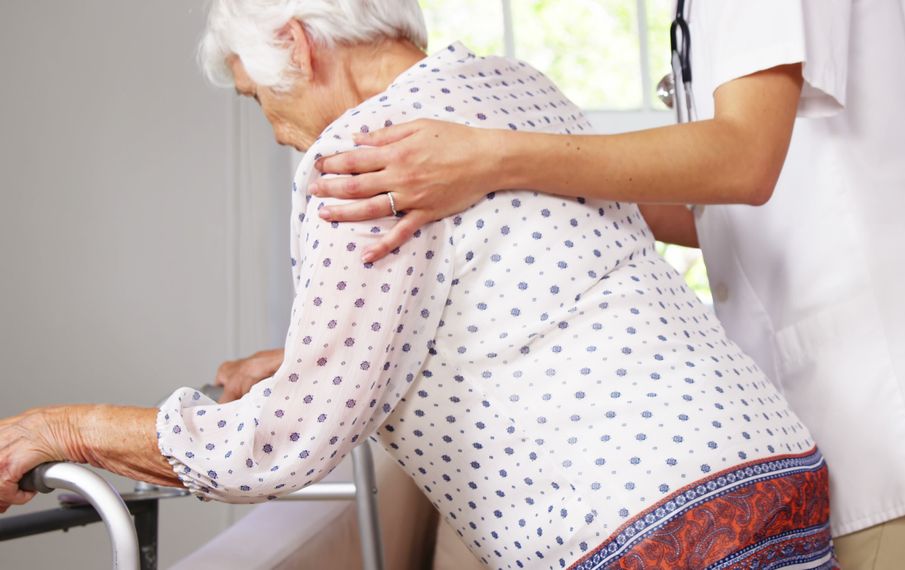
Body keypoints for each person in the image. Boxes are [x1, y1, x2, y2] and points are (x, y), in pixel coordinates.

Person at [0, 1, 838, 568]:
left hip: (647, 528)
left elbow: (279, 446)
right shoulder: (513, 85)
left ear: (298, 43)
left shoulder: (361, 159)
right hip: (767, 468)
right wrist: (292, 359)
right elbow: (509, 290)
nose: (276, 132)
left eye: (258, 99)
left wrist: (63, 428)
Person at [301, 0, 905, 568]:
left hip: (880, 390)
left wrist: (496, 157)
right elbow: (716, 215)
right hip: (827, 387)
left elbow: (743, 162)